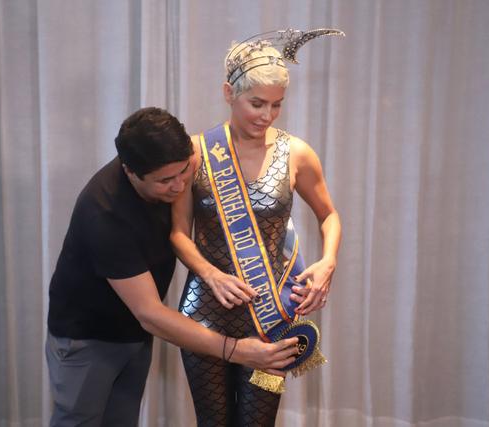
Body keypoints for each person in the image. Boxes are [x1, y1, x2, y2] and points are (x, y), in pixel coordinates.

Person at [45, 107, 299, 427]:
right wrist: (236, 350)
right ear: (130, 171)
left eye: (184, 171)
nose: (179, 186)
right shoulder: (105, 213)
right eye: (166, 180)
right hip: (87, 338)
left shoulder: (175, 167)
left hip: (134, 334)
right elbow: (150, 313)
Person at [170, 30, 343, 426]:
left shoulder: (297, 153)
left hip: (271, 316)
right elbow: (178, 233)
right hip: (205, 312)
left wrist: (328, 261)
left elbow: (329, 215)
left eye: (276, 105)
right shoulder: (195, 152)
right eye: (257, 103)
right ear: (229, 93)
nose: (267, 115)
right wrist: (211, 274)